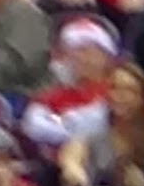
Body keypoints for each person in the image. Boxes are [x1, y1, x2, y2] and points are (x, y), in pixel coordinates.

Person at [20, 17, 117, 149]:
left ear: (106, 56)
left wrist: (64, 123)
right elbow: (34, 126)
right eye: (72, 51)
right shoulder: (49, 98)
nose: (78, 57)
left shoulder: (119, 92)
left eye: (85, 50)